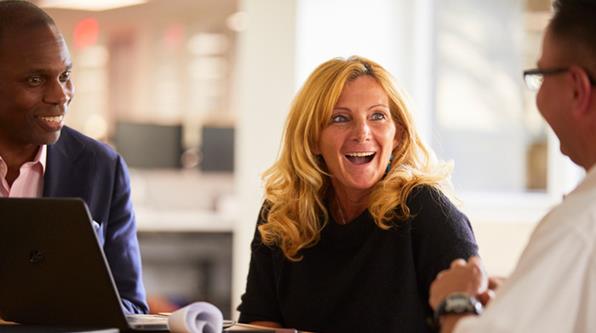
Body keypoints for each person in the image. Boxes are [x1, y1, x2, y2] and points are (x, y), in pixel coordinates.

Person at [237, 56, 479, 332]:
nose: (362, 132)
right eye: (340, 118)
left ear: (397, 134)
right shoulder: (283, 213)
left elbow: (470, 324)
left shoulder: (427, 211)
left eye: (378, 116)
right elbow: (260, 318)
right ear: (313, 138)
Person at [429, 0, 596, 332]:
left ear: (577, 88)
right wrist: (526, 301)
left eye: (539, 76)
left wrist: (454, 302)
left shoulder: (578, 226)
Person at [0, 0, 148, 314]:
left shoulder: (103, 169)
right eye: (35, 80)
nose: (60, 95)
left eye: (65, 75)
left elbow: (131, 304)